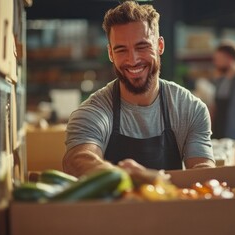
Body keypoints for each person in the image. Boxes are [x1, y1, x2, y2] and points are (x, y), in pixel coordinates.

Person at [63, 1, 215, 177]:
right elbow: (78, 160)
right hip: (113, 205)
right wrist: (137, 178)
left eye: (142, 47)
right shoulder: (93, 112)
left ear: (160, 46)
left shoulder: (190, 109)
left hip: (170, 203)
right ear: (111, 54)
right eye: (121, 50)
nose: (132, 60)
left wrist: (152, 181)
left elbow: (204, 173)